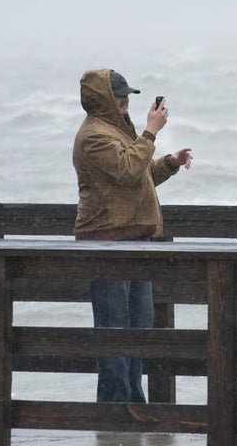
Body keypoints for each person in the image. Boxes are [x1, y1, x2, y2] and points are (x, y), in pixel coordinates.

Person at [72, 68, 193, 402]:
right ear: (103, 99)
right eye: (119, 94)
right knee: (114, 330)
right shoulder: (93, 136)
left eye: (126, 94)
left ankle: (133, 404)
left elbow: (138, 175)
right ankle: (114, 407)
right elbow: (126, 171)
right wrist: (150, 133)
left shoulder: (117, 131)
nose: (125, 99)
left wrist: (168, 162)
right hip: (108, 243)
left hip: (135, 240)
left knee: (138, 328)